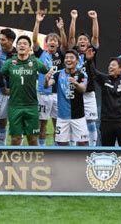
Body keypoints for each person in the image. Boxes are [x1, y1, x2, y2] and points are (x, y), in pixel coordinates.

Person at [0, 35, 48, 146]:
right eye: (19, 43)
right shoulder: (10, 62)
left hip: (31, 106)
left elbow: (48, 73)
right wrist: (3, 89)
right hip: (14, 106)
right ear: (16, 47)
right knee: (15, 139)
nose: (22, 45)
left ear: (29, 48)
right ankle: (14, 163)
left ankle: (34, 163)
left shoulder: (35, 62)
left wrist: (47, 83)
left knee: (32, 139)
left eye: (25, 44)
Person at [87, 48, 121, 146]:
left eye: (113, 65)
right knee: (107, 151)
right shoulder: (104, 79)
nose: (110, 67)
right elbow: (93, 72)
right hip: (106, 122)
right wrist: (89, 61)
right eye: (109, 65)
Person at [32, 10, 68, 146]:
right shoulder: (41, 54)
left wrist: (61, 29)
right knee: (42, 124)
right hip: (43, 93)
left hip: (58, 94)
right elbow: (34, 40)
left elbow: (65, 44)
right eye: (50, 40)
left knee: (57, 123)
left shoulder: (61, 54)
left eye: (55, 40)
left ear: (57, 44)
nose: (52, 42)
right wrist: (37, 22)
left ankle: (55, 147)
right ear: (46, 43)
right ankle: (42, 148)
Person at [68, 9, 100, 146]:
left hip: (88, 93)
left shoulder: (91, 52)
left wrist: (94, 19)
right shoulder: (73, 53)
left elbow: (96, 37)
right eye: (80, 39)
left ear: (88, 43)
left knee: (91, 123)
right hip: (74, 94)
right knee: (73, 122)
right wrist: (74, 19)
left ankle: (92, 148)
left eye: (85, 39)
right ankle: (73, 147)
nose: (82, 41)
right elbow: (70, 38)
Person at [45, 50, 88, 146]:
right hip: (62, 116)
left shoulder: (82, 75)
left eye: (71, 58)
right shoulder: (58, 74)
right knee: (61, 144)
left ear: (77, 61)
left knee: (83, 144)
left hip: (78, 116)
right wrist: (46, 80)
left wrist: (75, 83)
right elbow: (47, 85)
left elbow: (83, 89)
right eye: (67, 58)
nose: (68, 60)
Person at [0, 28, 17, 145]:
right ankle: (1, 146)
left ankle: (14, 148)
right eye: (0, 39)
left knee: (15, 122)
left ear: (11, 40)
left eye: (3, 39)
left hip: (14, 93)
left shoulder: (18, 53)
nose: (0, 42)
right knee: (0, 121)